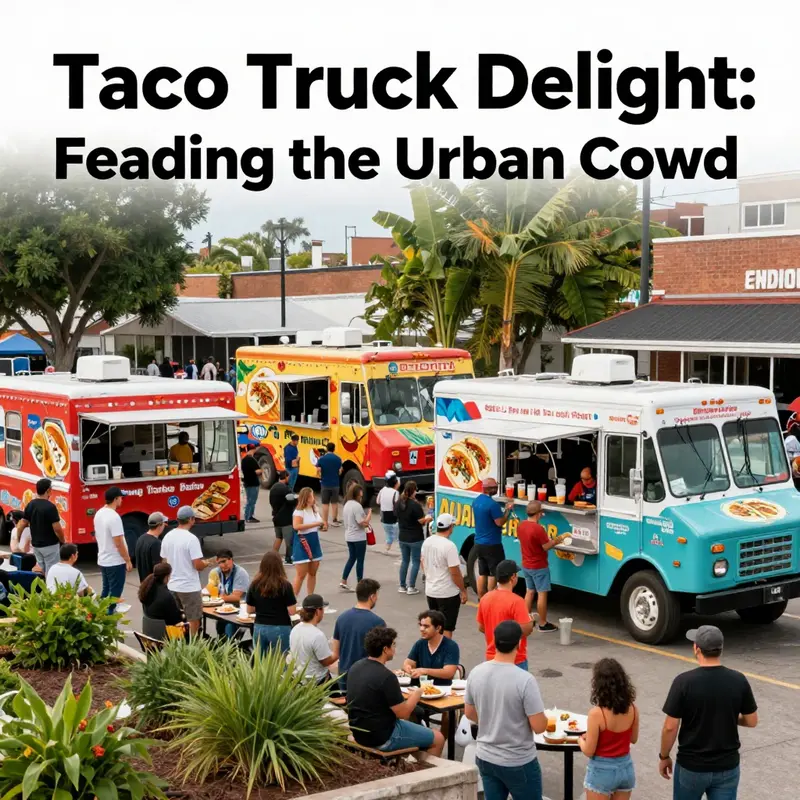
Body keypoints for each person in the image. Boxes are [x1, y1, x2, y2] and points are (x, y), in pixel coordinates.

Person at [659, 626, 758, 799]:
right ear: (721, 649)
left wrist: (664, 756)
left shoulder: (683, 682)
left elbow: (670, 727)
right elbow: (752, 721)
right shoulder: (738, 680)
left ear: (696, 648)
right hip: (727, 767)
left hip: (691, 767)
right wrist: (729, 716)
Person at [464, 620, 547, 800]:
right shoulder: (525, 680)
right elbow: (539, 726)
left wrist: (492, 720)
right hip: (518, 760)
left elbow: (469, 712)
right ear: (519, 643)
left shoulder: (476, 673)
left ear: (494, 641)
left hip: (486, 756)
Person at [346, 626, 445, 757]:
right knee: (438, 738)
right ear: (385, 649)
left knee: (416, 728)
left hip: (359, 733)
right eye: (393, 644)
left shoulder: (356, 667)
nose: (394, 648)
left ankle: (413, 764)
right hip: (382, 737)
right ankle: (426, 774)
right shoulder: (386, 676)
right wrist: (418, 692)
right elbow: (403, 714)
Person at [579, 658, 639, 800]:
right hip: (626, 768)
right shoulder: (633, 709)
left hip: (602, 771)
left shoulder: (597, 713)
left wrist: (580, 740)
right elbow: (633, 739)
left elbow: (589, 751)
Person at [160, 506, 213, 635]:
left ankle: (178, 644)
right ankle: (192, 647)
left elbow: (164, 562)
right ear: (191, 519)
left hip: (172, 585)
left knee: (176, 620)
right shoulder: (191, 539)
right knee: (194, 620)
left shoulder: (168, 536)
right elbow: (197, 565)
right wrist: (206, 563)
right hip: (189, 587)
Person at [517, 500, 567, 632]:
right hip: (539, 566)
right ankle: (543, 623)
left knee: (529, 592)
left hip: (526, 564)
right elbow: (546, 546)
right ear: (538, 513)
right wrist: (558, 539)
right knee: (541, 594)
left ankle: (524, 619)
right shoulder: (538, 529)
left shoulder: (521, 525)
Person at [476, 560, 533, 671]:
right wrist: (531, 621)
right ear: (513, 577)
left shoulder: (485, 598)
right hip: (515, 660)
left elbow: (482, 627)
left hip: (491, 658)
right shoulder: (517, 601)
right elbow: (525, 630)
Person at [331, 578, 385, 692]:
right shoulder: (377, 622)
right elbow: (382, 656)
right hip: (366, 680)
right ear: (372, 597)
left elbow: (336, 651)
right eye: (376, 595)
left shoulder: (342, 618)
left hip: (344, 677)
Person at [421, 513, 467, 637]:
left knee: (435, 626)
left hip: (431, 591)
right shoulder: (449, 546)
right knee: (447, 628)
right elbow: (455, 572)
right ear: (451, 527)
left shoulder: (428, 541)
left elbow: (422, 561)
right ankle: (445, 654)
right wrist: (463, 590)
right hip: (447, 593)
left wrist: (429, 576)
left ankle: (434, 651)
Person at [246, 551, 297, 653]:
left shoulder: (255, 584)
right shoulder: (285, 585)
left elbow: (249, 609)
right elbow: (292, 611)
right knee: (281, 662)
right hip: (280, 626)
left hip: (259, 626)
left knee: (260, 663)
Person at [471, 478, 514, 597]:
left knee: (482, 573)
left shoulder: (476, 501)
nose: (497, 489)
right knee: (493, 574)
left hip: (478, 543)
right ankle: (491, 599)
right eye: (495, 487)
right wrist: (508, 511)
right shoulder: (492, 505)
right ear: (490, 489)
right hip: (492, 544)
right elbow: (499, 522)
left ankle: (482, 598)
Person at [93, 486, 132, 614]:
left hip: (103, 559)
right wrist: (127, 560)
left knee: (105, 592)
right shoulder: (114, 517)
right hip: (115, 561)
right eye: (121, 497)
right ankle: (109, 621)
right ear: (115, 499)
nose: (122, 500)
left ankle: (100, 618)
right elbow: (119, 543)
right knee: (114, 596)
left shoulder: (99, 513)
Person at [15, 478, 65, 574]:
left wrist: (18, 537)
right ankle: (50, 588)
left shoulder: (30, 505)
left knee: (40, 571)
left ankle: (42, 587)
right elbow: (57, 528)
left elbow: (22, 524)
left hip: (36, 545)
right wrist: (63, 540)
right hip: (50, 545)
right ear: (48, 490)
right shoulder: (50, 507)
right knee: (52, 572)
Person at [402, 609, 460, 686]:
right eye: (421, 625)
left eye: (426, 626)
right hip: (420, 688)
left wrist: (424, 671)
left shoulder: (451, 646)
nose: (421, 629)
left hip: (442, 688)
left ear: (438, 628)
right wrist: (408, 667)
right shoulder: (420, 643)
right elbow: (408, 662)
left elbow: (449, 673)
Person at [289, 594, 337, 684]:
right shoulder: (317, 635)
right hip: (317, 680)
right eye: (322, 609)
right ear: (317, 611)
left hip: (299, 678)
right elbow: (326, 661)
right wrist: (337, 651)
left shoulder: (295, 629)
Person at [396, 481, 431, 595]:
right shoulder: (415, 505)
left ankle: (402, 585)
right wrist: (428, 518)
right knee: (415, 561)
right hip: (415, 537)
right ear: (413, 491)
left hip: (402, 536)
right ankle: (411, 586)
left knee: (405, 561)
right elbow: (421, 522)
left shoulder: (398, 503)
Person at [208, 549, 251, 638]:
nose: (222, 565)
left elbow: (236, 597)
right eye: (219, 562)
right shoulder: (216, 572)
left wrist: (217, 598)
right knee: (220, 632)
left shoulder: (240, 573)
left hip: (239, 610)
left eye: (224, 561)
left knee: (229, 633)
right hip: (223, 609)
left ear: (231, 559)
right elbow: (209, 589)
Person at [291, 487, 324, 596]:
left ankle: (310, 597)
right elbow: (296, 526)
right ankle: (292, 601)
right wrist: (316, 524)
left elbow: (321, 522)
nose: (313, 498)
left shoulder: (315, 509)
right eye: (311, 496)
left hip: (314, 541)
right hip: (302, 542)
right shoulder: (299, 511)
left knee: (313, 573)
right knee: (301, 575)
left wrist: (323, 526)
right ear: (307, 498)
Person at [340, 483, 372, 591]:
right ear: (357, 495)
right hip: (358, 537)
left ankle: (343, 580)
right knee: (360, 560)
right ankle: (360, 583)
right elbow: (362, 523)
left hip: (349, 535)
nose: (361, 497)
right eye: (361, 496)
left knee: (352, 558)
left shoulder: (347, 504)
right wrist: (369, 515)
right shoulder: (357, 506)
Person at [138, 562, 185, 628]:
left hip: (148, 628)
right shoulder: (167, 595)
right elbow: (175, 620)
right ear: (167, 577)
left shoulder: (147, 589)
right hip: (164, 631)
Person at [269, 470, 295, 564]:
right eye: (289, 477)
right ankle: (289, 559)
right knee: (289, 540)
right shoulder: (285, 489)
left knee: (278, 537)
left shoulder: (273, 487)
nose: (289, 479)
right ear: (286, 477)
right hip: (285, 519)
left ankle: (272, 558)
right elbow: (292, 500)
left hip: (276, 517)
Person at [317, 442, 343, 530]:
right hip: (335, 484)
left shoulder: (321, 459)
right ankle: (335, 520)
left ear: (327, 449)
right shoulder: (338, 459)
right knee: (334, 503)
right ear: (334, 449)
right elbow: (340, 471)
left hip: (325, 484)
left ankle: (325, 522)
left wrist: (320, 476)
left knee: (325, 503)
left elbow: (318, 470)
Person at [135, 512, 167, 581]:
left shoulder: (141, 538)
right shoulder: (156, 543)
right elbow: (157, 568)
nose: (165, 525)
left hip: (144, 582)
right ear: (159, 525)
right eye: (164, 523)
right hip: (153, 585)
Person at [376, 474, 400, 552]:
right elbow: (397, 506)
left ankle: (387, 547)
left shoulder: (382, 490)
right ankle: (402, 550)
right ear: (395, 483)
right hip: (394, 518)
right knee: (398, 536)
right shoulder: (395, 492)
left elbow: (377, 501)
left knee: (388, 534)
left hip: (384, 518)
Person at [241, 449, 262, 523]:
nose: (254, 452)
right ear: (250, 451)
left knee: (249, 500)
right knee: (252, 501)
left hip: (247, 482)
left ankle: (247, 516)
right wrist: (261, 470)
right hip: (253, 483)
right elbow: (257, 471)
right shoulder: (251, 460)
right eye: (253, 451)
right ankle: (249, 517)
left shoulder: (243, 460)